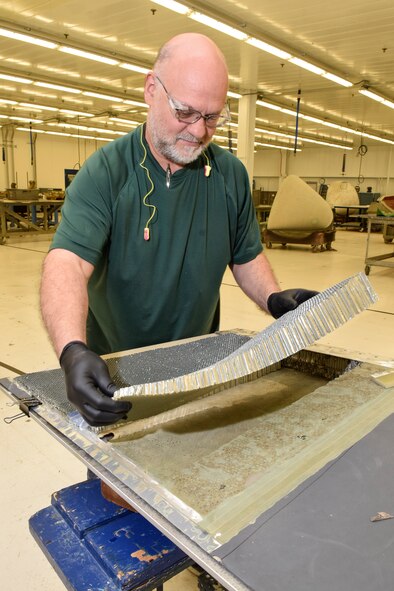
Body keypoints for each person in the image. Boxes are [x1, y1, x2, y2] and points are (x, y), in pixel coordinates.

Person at [40, 33, 317, 427]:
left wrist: (273, 297)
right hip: (115, 377)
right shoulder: (106, 171)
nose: (198, 131)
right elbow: (66, 263)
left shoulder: (230, 176)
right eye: (184, 112)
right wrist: (72, 351)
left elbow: (246, 255)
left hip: (198, 369)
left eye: (212, 117)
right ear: (152, 89)